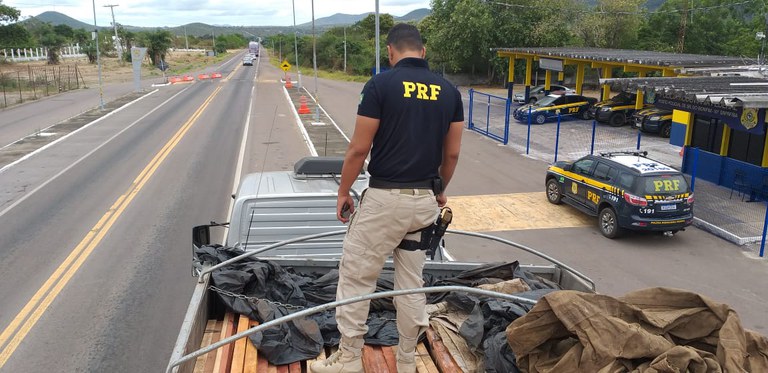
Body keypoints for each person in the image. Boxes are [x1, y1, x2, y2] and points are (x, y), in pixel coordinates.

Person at [310, 23, 464, 373]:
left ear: (391, 52)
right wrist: (439, 190)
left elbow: (359, 149)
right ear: (423, 52)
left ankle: (349, 358)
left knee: (356, 275)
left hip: (384, 202)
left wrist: (343, 191)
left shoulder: (381, 85)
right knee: (411, 285)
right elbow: (451, 155)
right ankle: (408, 361)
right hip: (424, 202)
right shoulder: (450, 92)